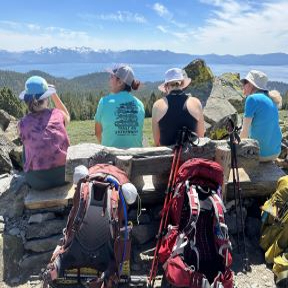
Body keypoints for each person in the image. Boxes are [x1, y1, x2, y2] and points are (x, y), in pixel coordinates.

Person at [18, 76, 70, 190]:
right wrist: (54, 94)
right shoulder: (57, 114)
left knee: (25, 143)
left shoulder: (23, 123)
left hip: (38, 182)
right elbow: (68, 117)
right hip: (65, 176)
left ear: (27, 102)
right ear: (46, 98)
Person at [94, 64, 145, 148]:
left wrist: (107, 146)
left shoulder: (104, 102)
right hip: (136, 157)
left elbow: (97, 133)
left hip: (111, 158)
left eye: (112, 76)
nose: (109, 78)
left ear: (120, 82)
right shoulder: (140, 104)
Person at [152, 68, 205, 146]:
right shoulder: (196, 103)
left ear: (166, 86)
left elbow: (157, 142)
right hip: (192, 157)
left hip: (167, 157)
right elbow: (201, 137)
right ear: (183, 84)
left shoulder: (157, 105)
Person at [240, 70, 282, 162]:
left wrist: (236, 148)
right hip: (275, 152)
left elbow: (245, 131)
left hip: (259, 154)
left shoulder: (251, 99)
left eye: (244, 82)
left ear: (251, 84)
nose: (243, 85)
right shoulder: (271, 99)